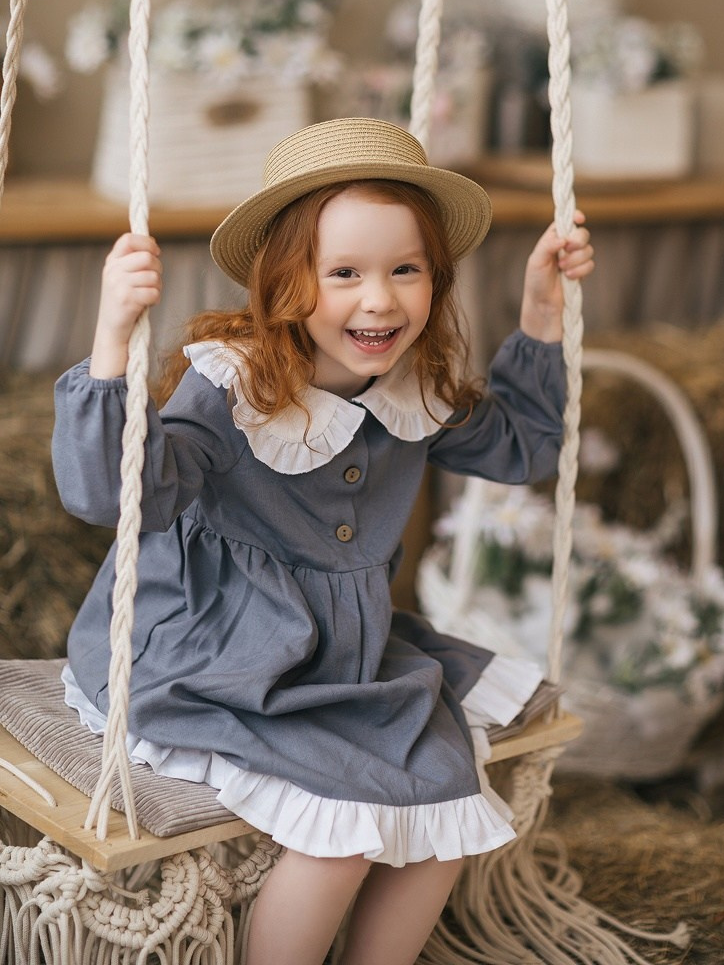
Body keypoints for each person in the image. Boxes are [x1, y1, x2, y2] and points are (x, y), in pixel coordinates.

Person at [53, 117, 594, 965]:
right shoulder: (233, 383)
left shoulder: (416, 385)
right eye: (344, 273)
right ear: (286, 282)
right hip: (210, 650)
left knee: (440, 818)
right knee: (342, 843)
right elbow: (117, 497)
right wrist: (112, 341)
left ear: (434, 279)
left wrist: (539, 316)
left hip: (343, 655)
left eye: (404, 271)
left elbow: (526, 446)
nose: (379, 300)